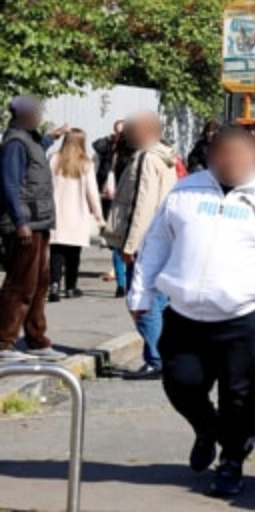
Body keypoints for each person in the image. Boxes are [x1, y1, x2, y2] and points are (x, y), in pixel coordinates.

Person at [128, 126, 255, 497]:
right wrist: (140, 295)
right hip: (185, 312)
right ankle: (207, 428)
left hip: (244, 314)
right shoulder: (185, 190)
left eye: (239, 157)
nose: (230, 163)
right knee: (180, 383)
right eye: (223, 155)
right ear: (211, 156)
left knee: (240, 396)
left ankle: (231, 462)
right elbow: (156, 242)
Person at [103, 111, 180, 380]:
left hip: (146, 240)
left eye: (132, 130)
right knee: (158, 299)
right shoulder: (164, 157)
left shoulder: (147, 158)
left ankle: (155, 358)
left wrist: (130, 244)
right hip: (160, 238)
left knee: (143, 300)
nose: (127, 135)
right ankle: (166, 355)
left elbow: (142, 203)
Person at [0, 97, 69, 363]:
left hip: (38, 222)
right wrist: (20, 222)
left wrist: (51, 138)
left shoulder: (28, 139)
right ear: (21, 114)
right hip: (25, 225)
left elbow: (35, 154)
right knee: (20, 285)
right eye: (35, 112)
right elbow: (9, 184)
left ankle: (37, 339)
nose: (39, 115)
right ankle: (4, 342)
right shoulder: (15, 142)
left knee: (39, 283)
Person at [48, 129, 105, 301]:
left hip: (56, 212)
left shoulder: (54, 159)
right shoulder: (85, 163)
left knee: (56, 252)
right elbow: (92, 193)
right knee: (74, 253)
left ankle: (54, 285)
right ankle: (71, 287)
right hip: (77, 213)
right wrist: (98, 215)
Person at [93, 120, 131, 297]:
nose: (119, 135)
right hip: (111, 198)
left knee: (123, 242)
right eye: (117, 131)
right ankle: (123, 283)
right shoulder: (110, 147)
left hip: (125, 199)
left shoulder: (131, 150)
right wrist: (110, 140)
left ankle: (124, 282)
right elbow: (96, 145)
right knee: (118, 242)